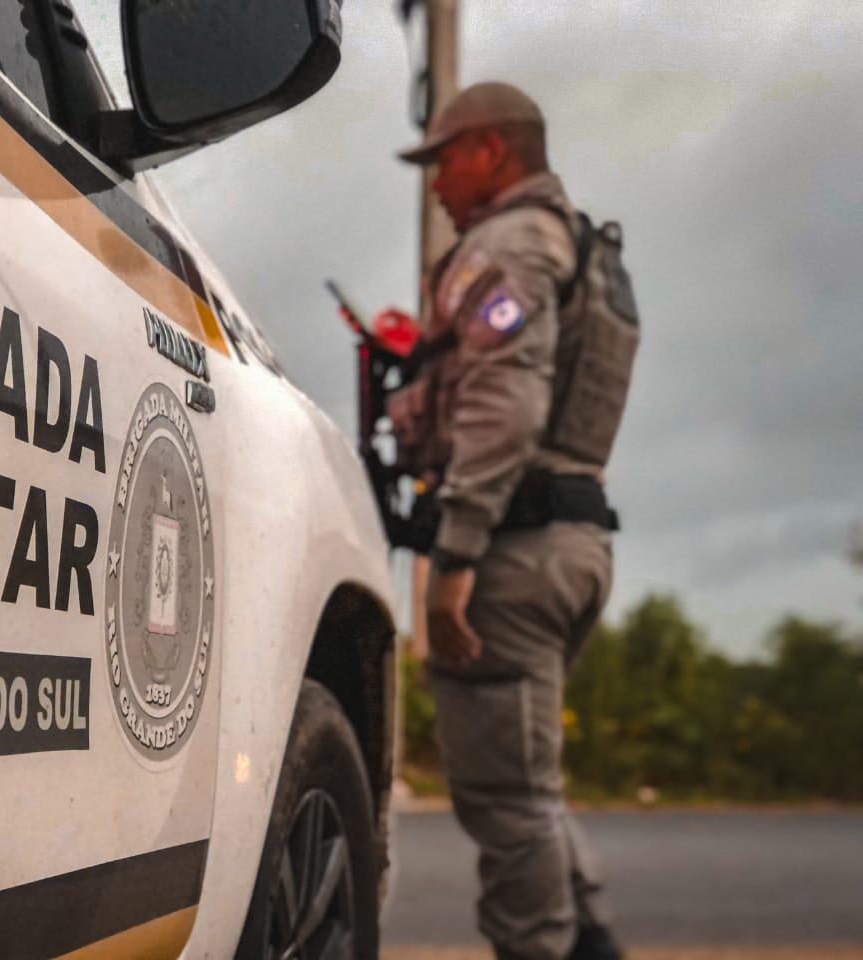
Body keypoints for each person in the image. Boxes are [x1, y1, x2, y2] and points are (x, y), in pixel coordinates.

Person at [396, 82, 640, 960]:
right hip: (572, 540)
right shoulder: (576, 242)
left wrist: (455, 556)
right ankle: (591, 945)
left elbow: (503, 405)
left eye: (442, 161)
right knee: (529, 790)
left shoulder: (507, 246)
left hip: (511, 550)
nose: (434, 185)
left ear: (493, 151)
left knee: (507, 803)